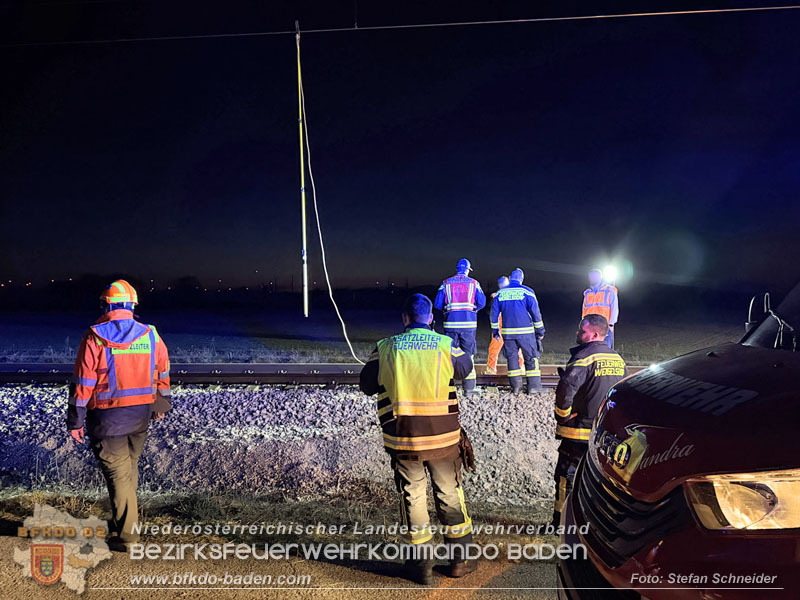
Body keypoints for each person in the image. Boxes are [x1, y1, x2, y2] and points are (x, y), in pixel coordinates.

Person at [360, 294, 477, 585]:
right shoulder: (445, 345)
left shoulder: (386, 347)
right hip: (443, 440)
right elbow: (466, 369)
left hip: (404, 439)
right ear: (431, 318)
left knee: (412, 496)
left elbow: (366, 385)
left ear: (404, 318)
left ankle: (421, 566)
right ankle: (460, 560)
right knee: (450, 494)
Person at [67, 280, 171, 549]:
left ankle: (128, 537)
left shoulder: (95, 337)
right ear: (132, 305)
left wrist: (76, 420)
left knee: (119, 475)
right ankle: (124, 523)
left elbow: (83, 383)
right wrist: (161, 405)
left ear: (106, 305)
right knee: (128, 470)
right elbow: (162, 371)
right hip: (140, 417)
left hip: (107, 420)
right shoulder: (150, 334)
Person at [552, 314, 626, 526]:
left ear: (594, 334)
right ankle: (592, 524)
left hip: (577, 433)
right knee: (597, 480)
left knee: (566, 477)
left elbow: (566, 390)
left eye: (582, 330)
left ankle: (561, 523)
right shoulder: (618, 359)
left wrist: (562, 416)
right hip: (604, 434)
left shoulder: (584, 357)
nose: (578, 333)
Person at [433, 258, 486, 394]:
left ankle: (447, 386)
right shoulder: (474, 283)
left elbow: (438, 304)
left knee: (449, 354)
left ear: (457, 269)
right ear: (467, 270)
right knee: (468, 354)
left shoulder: (446, 283)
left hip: (450, 324)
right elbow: (482, 302)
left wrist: (448, 310)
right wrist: (473, 309)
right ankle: (469, 387)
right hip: (468, 325)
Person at [489, 268, 545, 393]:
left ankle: (516, 388)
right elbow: (536, 313)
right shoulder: (528, 292)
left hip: (508, 334)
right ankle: (534, 387)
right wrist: (540, 331)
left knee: (512, 359)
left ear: (510, 278)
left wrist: (495, 331)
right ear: (522, 279)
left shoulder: (500, 293)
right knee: (531, 358)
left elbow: (494, 314)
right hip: (526, 334)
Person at [486, 275, 523, 375]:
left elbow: (491, 313)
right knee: (515, 350)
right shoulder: (512, 295)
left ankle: (491, 370)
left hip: (505, 327)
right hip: (507, 327)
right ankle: (519, 369)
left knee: (497, 350)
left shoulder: (497, 296)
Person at [582, 269, 619, 349]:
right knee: (590, 350)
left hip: (604, 326)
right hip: (590, 326)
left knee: (604, 350)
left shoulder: (609, 290)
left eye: (594, 277)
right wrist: (584, 324)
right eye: (590, 277)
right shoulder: (587, 292)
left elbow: (614, 308)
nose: (592, 279)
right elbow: (584, 309)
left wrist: (611, 324)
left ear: (600, 277)